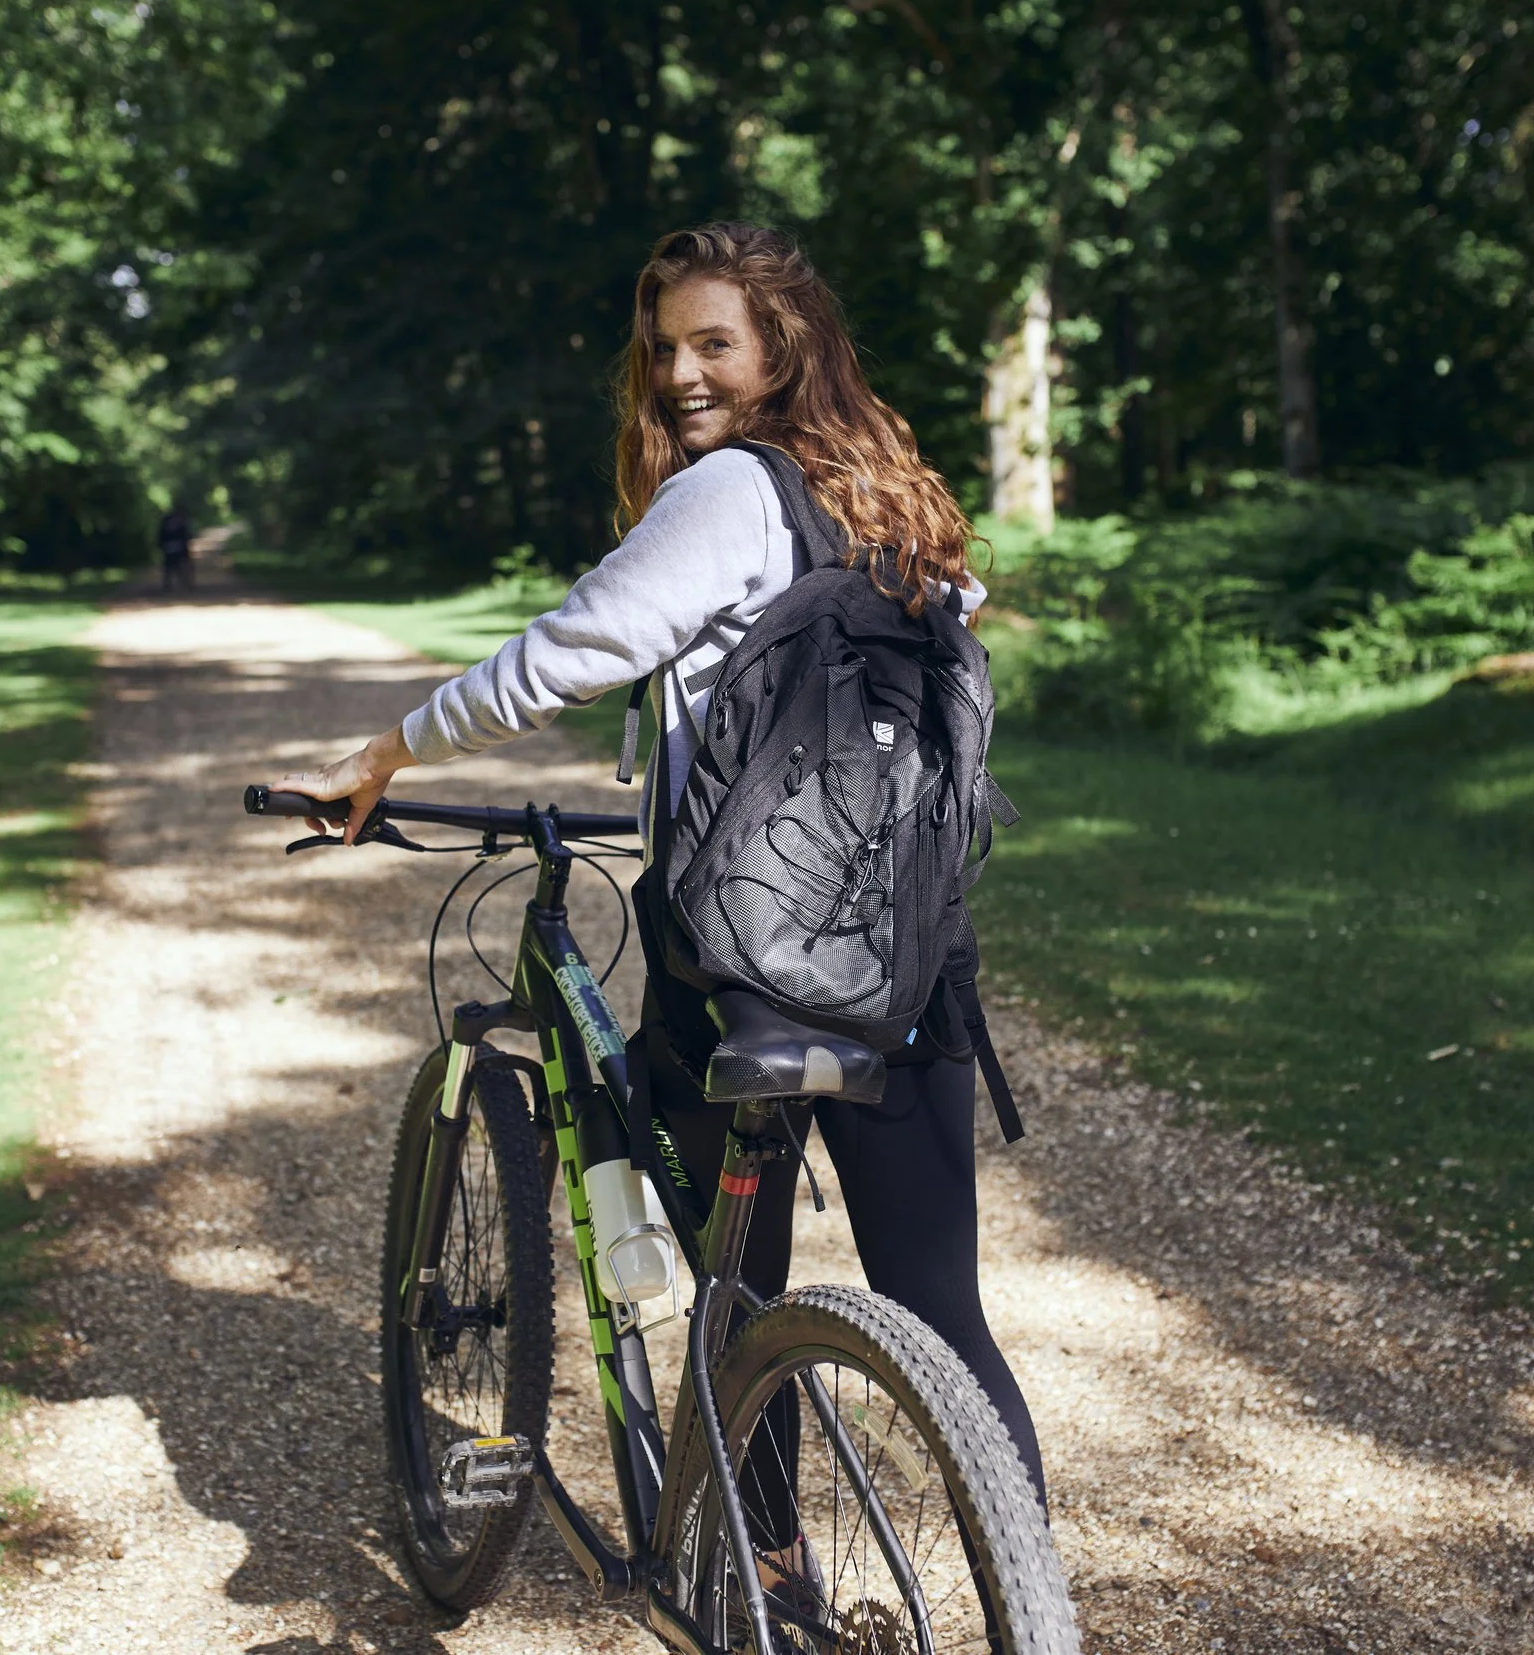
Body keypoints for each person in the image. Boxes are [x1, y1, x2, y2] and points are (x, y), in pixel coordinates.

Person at [273, 221, 1044, 1558]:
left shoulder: (734, 489)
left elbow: (575, 649)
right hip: (912, 958)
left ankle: (766, 1574)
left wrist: (388, 747)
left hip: (745, 962)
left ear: (780, 350)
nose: (681, 371)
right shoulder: (891, 498)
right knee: (941, 1304)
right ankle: (1033, 1604)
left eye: (713, 343)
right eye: (664, 348)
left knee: (729, 1288)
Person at [158, 507, 193, 592]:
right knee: (171, 569)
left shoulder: (170, 524)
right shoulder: (180, 524)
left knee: (174, 568)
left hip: (175, 549)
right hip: (173, 549)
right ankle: (174, 584)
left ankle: (182, 584)